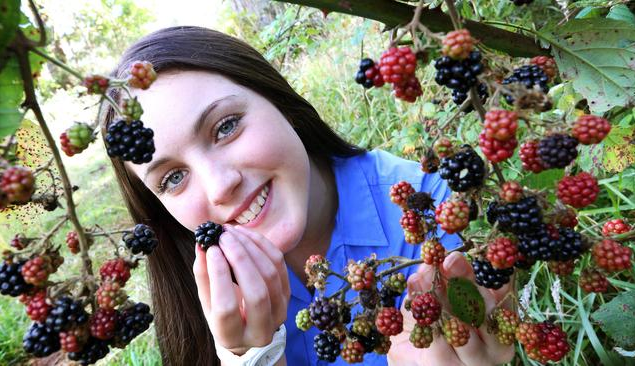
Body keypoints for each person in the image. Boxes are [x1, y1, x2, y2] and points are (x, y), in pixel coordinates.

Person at [100, 26, 514, 366]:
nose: (219, 185)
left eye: (225, 127)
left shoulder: (432, 205)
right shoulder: (201, 303)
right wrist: (253, 359)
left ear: (283, 104)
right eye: (173, 178)